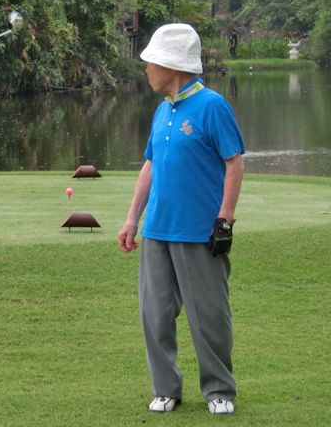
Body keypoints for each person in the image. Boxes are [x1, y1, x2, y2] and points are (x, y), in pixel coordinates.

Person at [118, 23, 245, 415]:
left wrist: (224, 221)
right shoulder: (161, 111)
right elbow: (150, 165)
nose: (146, 70)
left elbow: (234, 163)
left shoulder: (213, 106)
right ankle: (166, 389)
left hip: (199, 231)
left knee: (209, 314)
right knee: (154, 313)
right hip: (157, 229)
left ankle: (219, 390)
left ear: (171, 65)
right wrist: (132, 219)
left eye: (151, 62)